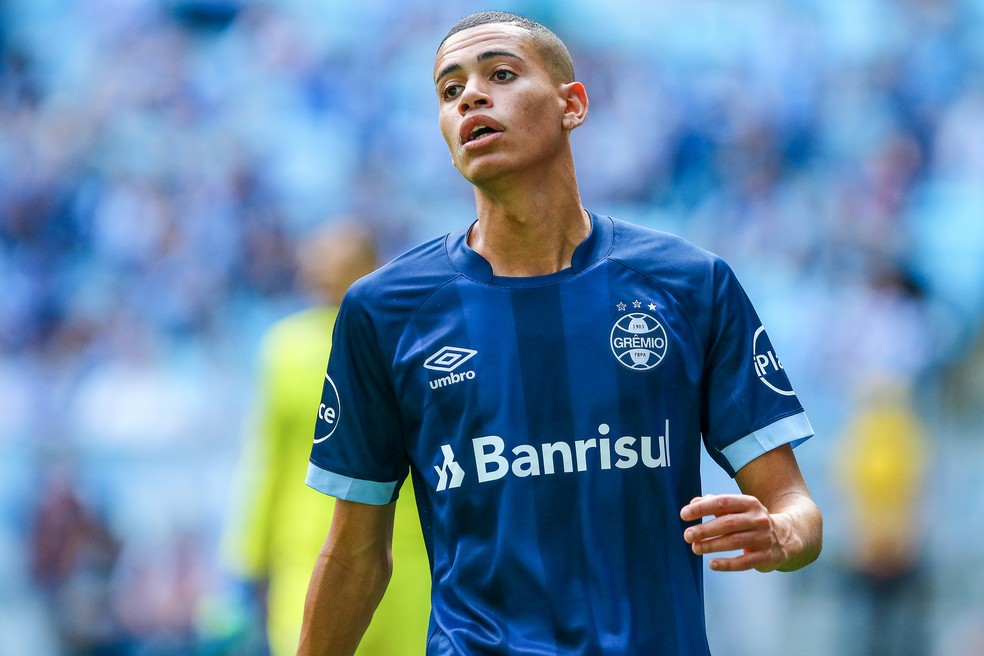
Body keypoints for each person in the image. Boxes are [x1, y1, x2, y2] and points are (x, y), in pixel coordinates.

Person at [299, 11, 822, 656]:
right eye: (450, 89)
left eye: (500, 74)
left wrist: (781, 534)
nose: (471, 97)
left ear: (572, 104)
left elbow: (795, 506)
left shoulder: (690, 284)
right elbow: (354, 554)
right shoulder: (384, 310)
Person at [223, 222, 431, 656]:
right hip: (320, 557)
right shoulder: (288, 348)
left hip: (396, 556)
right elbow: (269, 459)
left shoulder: (409, 337)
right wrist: (247, 559)